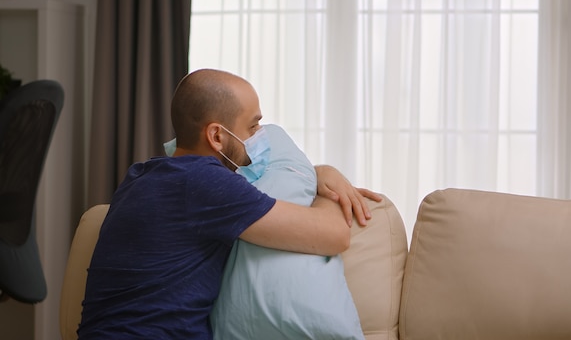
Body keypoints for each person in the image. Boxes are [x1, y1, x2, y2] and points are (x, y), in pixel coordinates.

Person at [78, 69, 380, 339]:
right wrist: (327, 183)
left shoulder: (141, 176)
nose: (261, 137)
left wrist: (318, 172)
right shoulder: (206, 184)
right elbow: (332, 235)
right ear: (217, 136)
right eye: (253, 127)